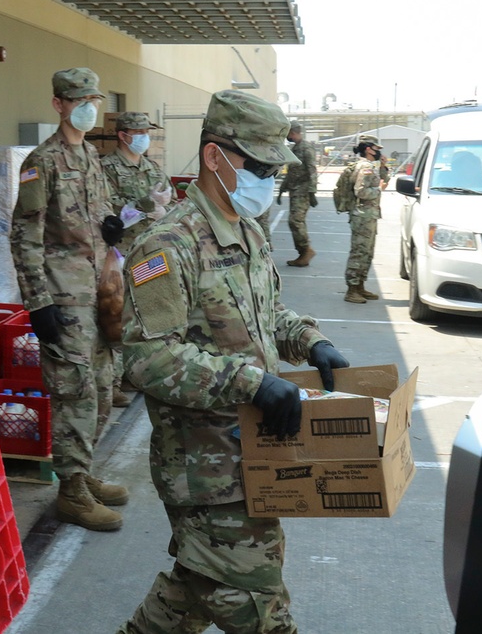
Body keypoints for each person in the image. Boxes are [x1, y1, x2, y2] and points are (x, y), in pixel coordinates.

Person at [116, 90, 350, 633]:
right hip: (205, 469)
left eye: (276, 168)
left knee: (194, 592)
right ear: (215, 157)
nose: (271, 179)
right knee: (256, 606)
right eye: (262, 166)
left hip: (252, 455)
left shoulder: (248, 231)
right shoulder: (166, 246)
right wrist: (251, 382)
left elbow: (264, 313)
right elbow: (147, 358)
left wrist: (308, 340)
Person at [10, 67, 128, 532]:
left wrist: (113, 226)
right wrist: (38, 303)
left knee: (102, 388)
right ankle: (71, 492)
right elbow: (25, 235)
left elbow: (99, 214)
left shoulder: (91, 158)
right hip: (64, 297)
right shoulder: (43, 162)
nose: (88, 107)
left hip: (99, 291)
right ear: (58, 104)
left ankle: (83, 471)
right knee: (75, 392)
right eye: (79, 100)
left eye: (93, 100)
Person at [100, 111, 175, 407]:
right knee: (115, 315)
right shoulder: (106, 169)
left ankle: (135, 374)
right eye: (139, 131)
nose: (145, 136)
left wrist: (166, 211)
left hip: (149, 252)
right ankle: (113, 382)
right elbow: (106, 210)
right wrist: (146, 204)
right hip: (119, 253)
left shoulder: (152, 168)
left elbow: (171, 199)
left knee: (145, 313)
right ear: (123, 135)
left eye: (147, 131)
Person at [344, 134, 384, 304]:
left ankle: (360, 285)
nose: (378, 152)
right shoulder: (364, 167)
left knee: (367, 253)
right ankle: (351, 289)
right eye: (376, 149)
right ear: (368, 149)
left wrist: (384, 168)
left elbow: (382, 180)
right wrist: (379, 190)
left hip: (369, 216)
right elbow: (360, 191)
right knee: (359, 252)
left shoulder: (371, 166)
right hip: (362, 216)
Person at [279, 121, 319, 267]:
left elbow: (312, 170)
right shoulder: (295, 148)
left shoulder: (306, 148)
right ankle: (303, 252)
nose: (287, 137)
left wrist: (312, 191)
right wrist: (282, 188)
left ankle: (306, 251)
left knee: (295, 221)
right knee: (294, 222)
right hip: (295, 190)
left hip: (303, 190)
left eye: (288, 134)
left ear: (293, 132)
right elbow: (292, 171)